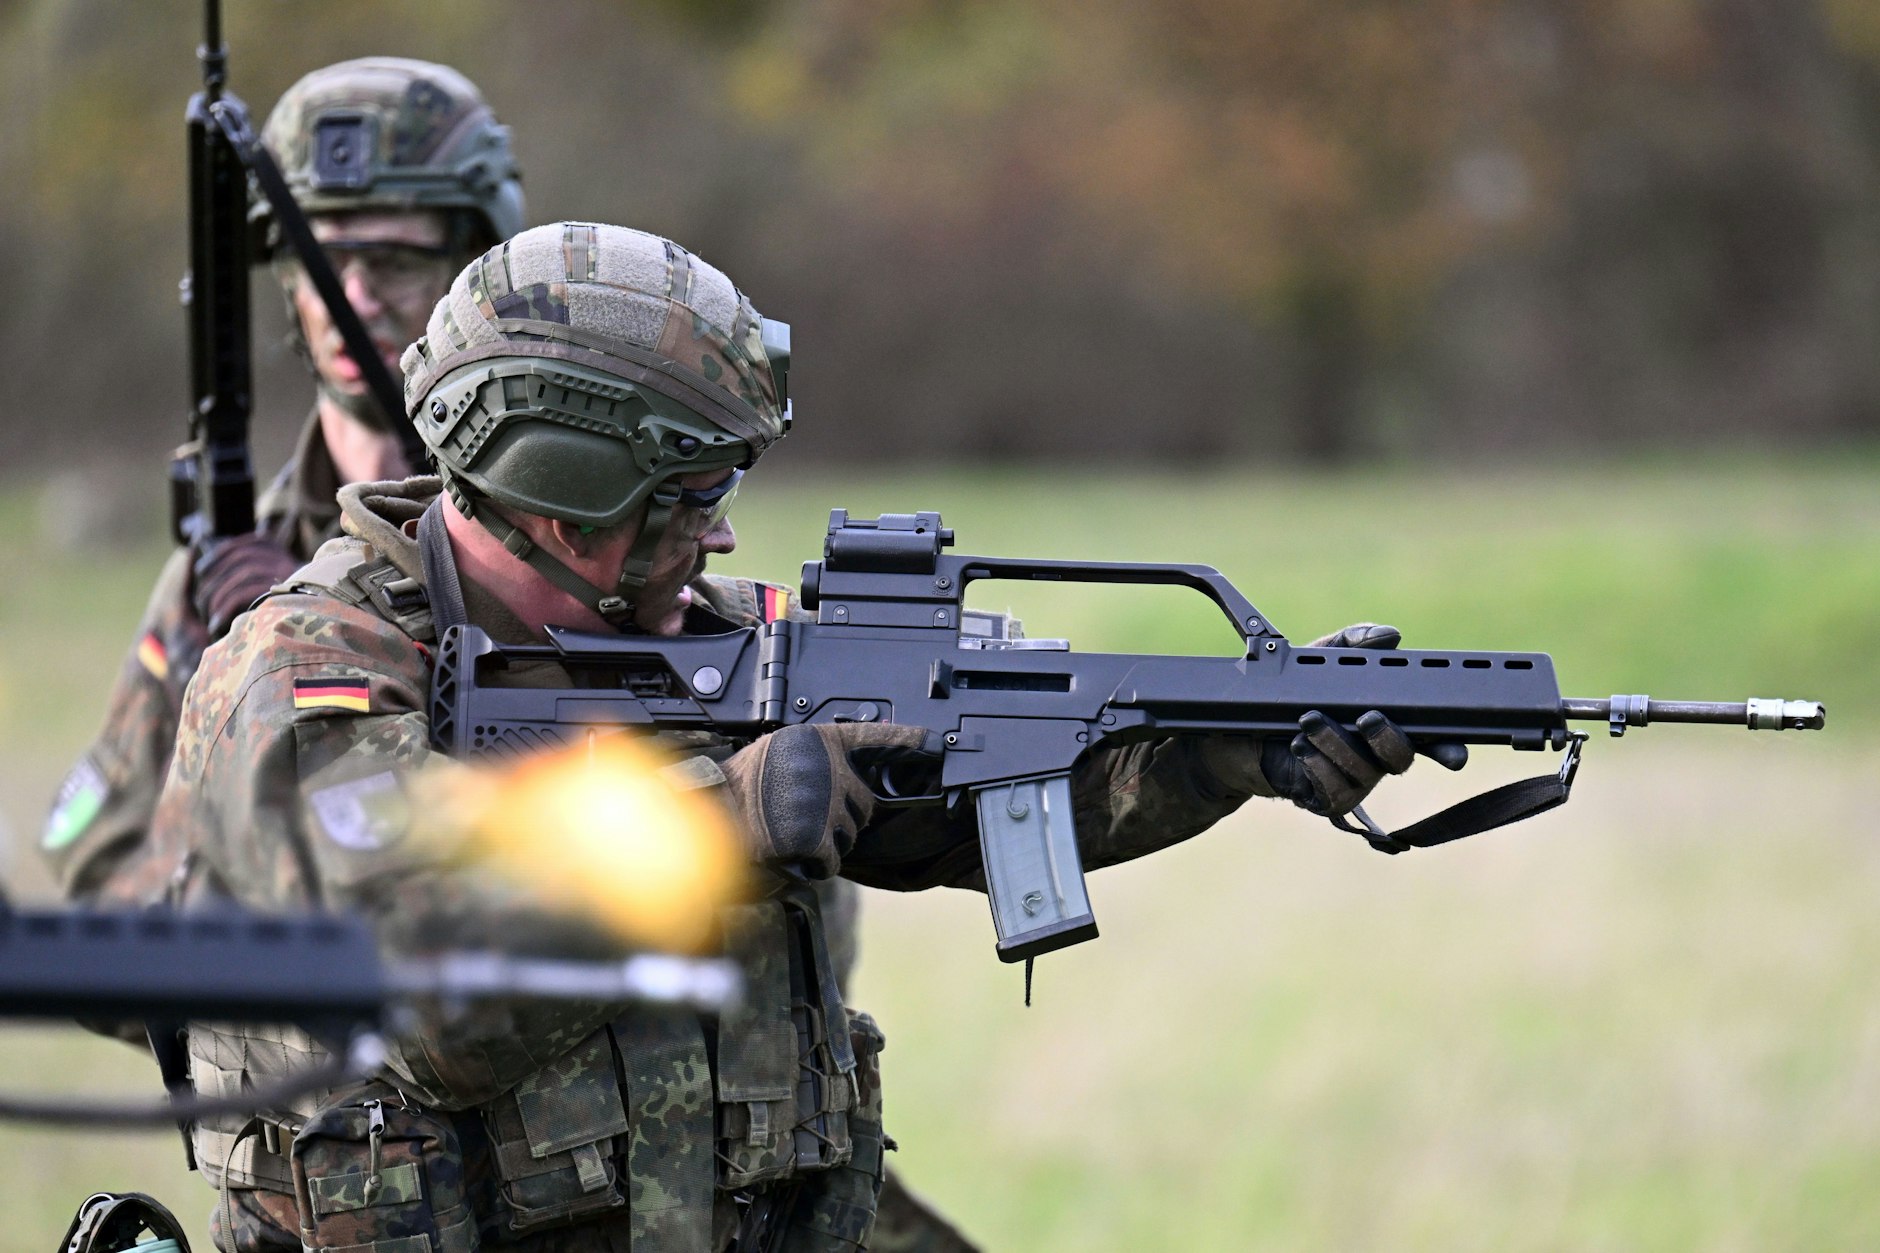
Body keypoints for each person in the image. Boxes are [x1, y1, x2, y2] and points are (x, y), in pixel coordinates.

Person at [149, 221, 1425, 1252]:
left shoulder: (717, 638)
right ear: (568, 493)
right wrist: (718, 819)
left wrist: (1225, 751)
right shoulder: (309, 677)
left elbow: (974, 790)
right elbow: (421, 1002)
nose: (719, 536)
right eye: (696, 493)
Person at [40, 57, 524, 902]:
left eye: (396, 260)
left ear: (469, 265)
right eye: (322, 260)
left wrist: (311, 634)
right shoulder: (231, 565)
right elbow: (98, 870)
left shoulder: (554, 539)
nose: (357, 295)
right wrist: (249, 682)